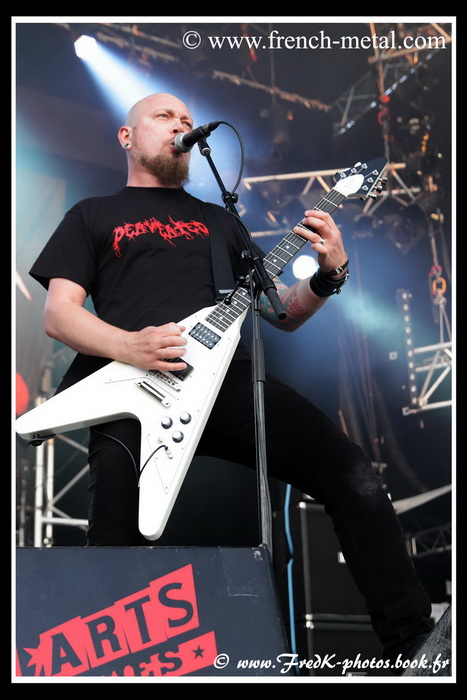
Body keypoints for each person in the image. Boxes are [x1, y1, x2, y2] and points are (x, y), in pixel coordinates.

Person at [28, 92, 434, 670]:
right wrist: (130, 345)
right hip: (129, 390)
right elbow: (59, 316)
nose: (181, 126)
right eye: (164, 117)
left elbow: (280, 311)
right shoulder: (92, 214)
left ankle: (412, 643)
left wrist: (330, 274)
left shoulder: (220, 220)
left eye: (188, 120)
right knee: (115, 541)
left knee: (354, 475)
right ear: (127, 136)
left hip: (229, 384)